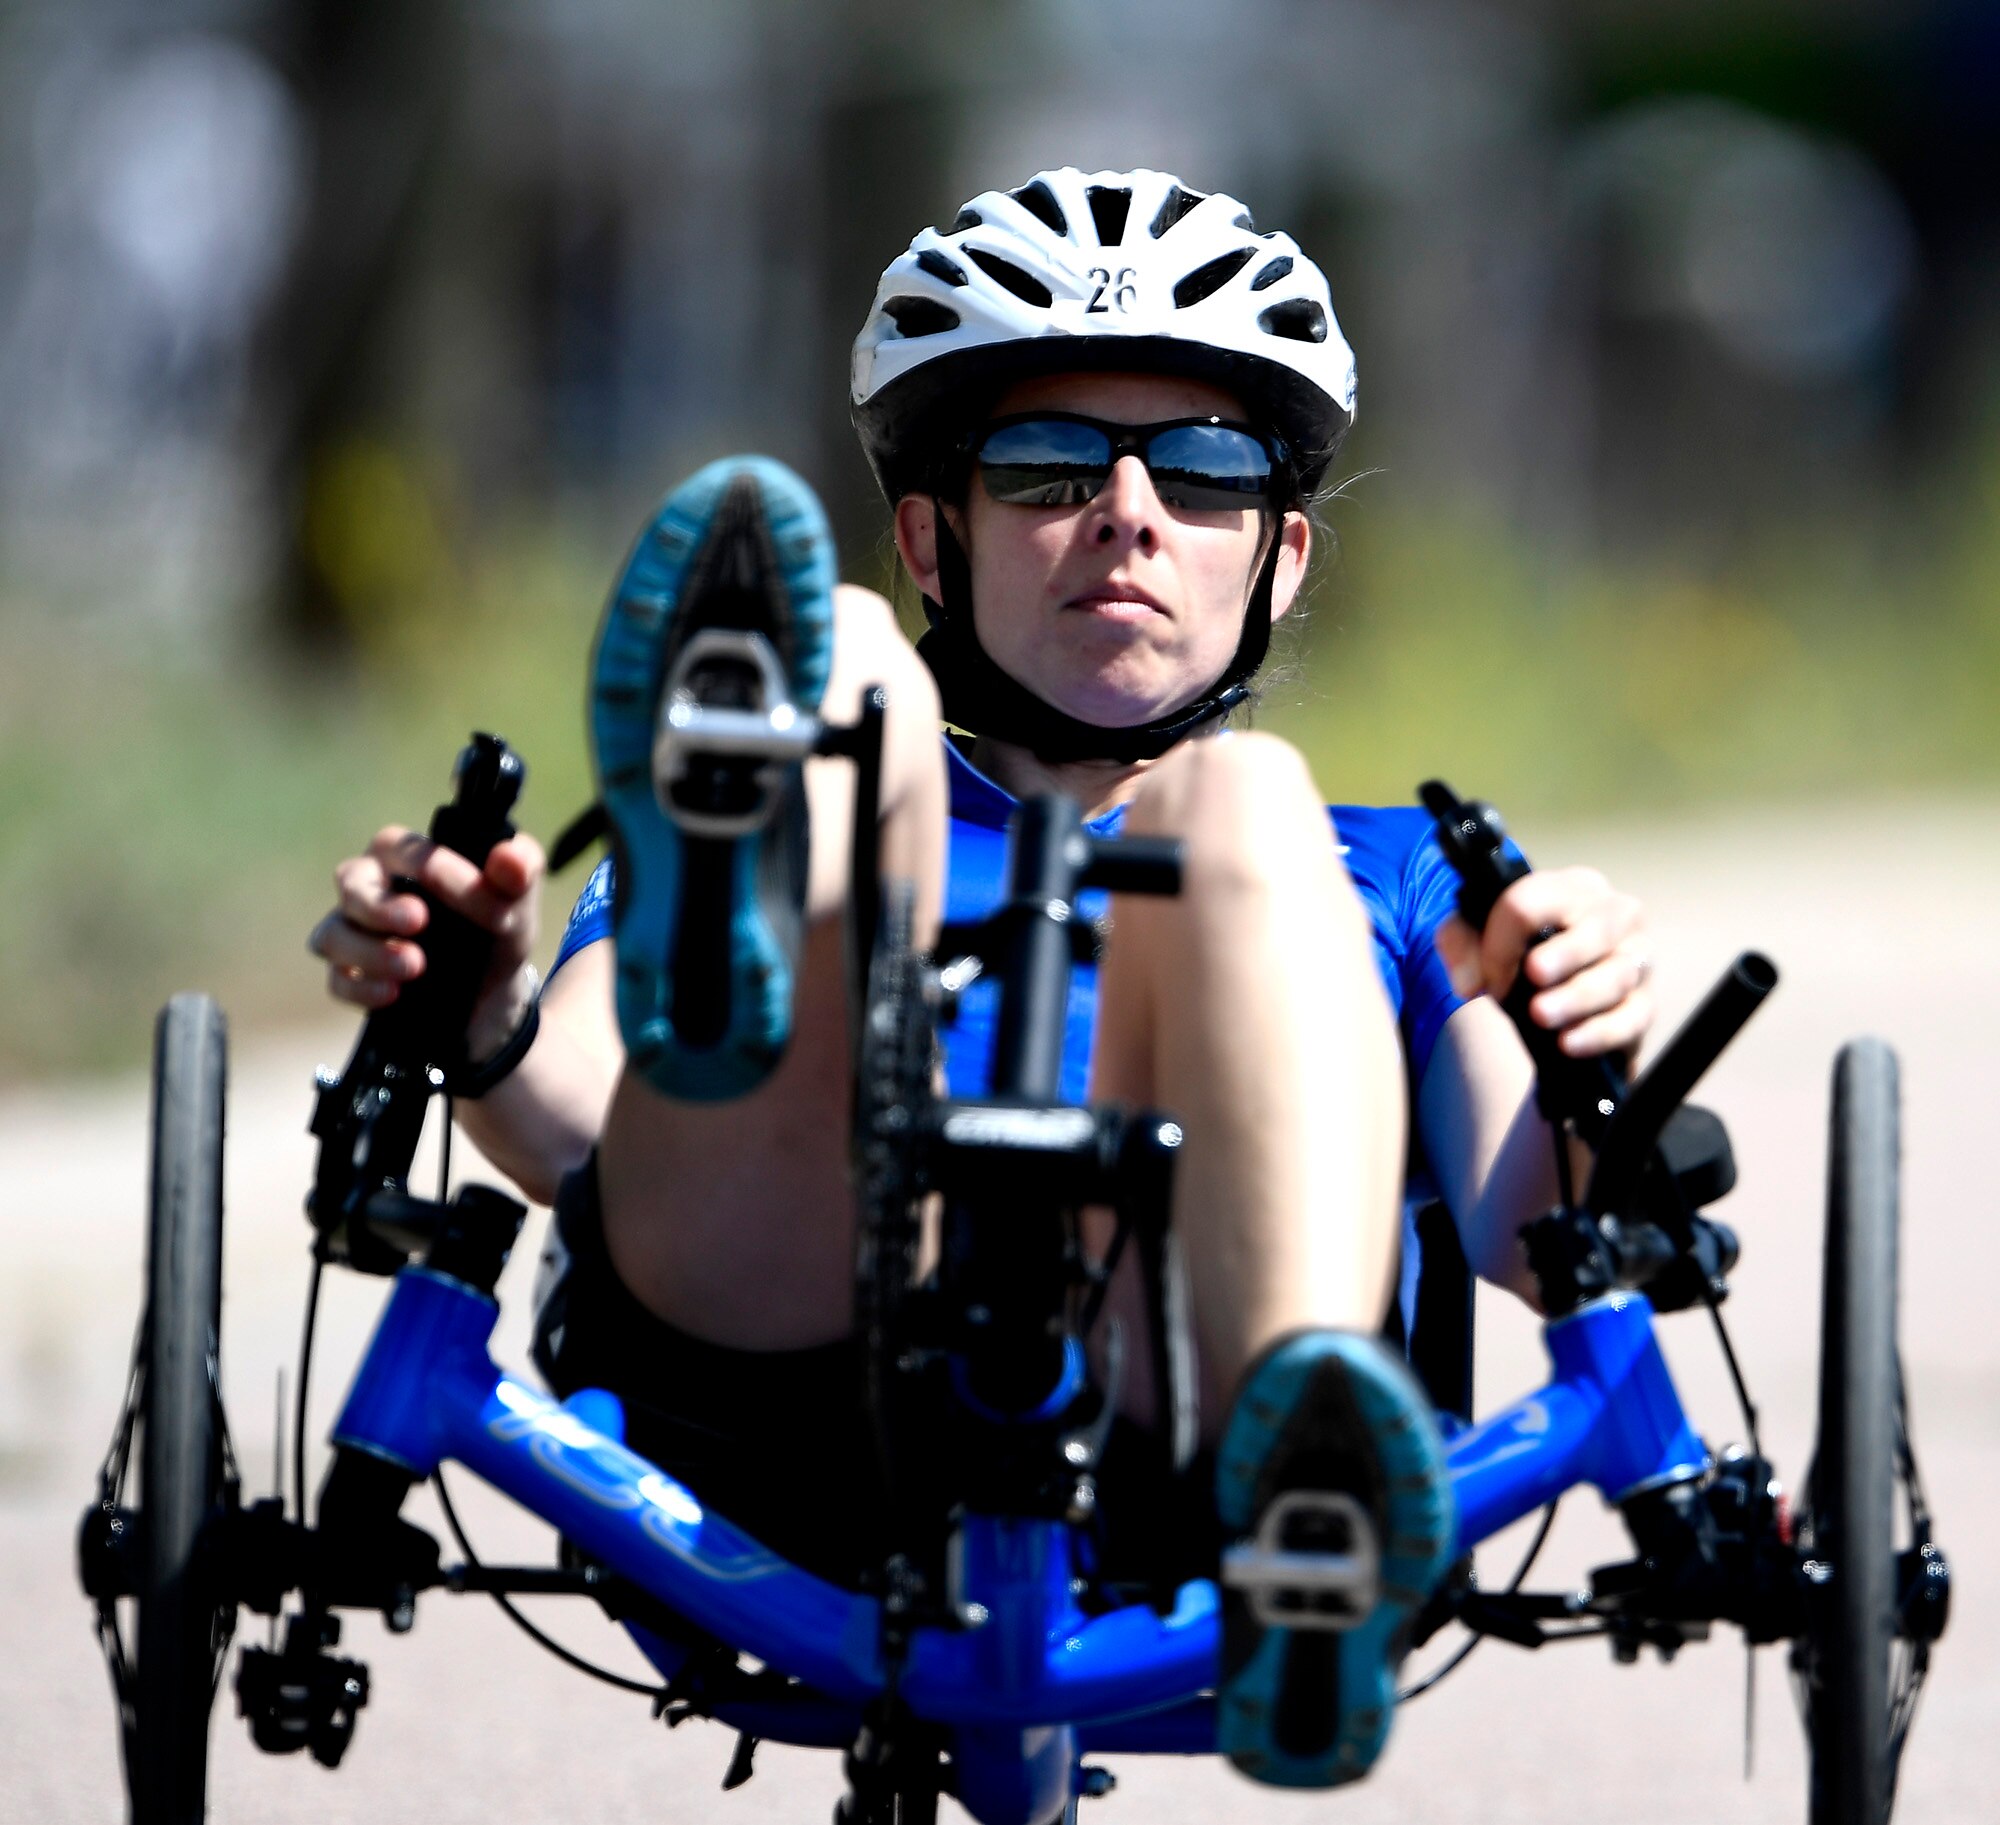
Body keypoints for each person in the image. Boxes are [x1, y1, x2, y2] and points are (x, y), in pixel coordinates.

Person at [309, 167, 1653, 1789]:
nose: (1130, 512)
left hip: (1183, 1417)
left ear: (1281, 557)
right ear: (934, 539)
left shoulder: (1380, 875)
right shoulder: (807, 771)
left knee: (1232, 798)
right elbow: (568, 1122)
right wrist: (478, 1011)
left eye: (1207, 469)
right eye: (1044, 466)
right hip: (781, 1378)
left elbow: (1534, 1224)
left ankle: (1304, 1454)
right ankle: (753, 861)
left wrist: (1581, 1026)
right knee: (847, 678)